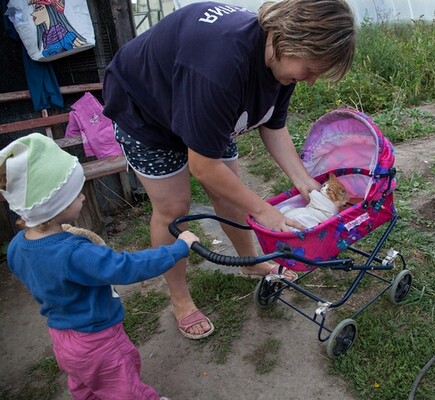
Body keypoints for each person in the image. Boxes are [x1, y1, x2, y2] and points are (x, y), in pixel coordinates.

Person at [102, 0, 356, 340]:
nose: (310, 81)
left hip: (204, 104)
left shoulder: (280, 57)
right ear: (290, 39)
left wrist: (306, 183)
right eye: (310, 70)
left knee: (232, 192)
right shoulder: (220, 68)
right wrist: (265, 211)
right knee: (173, 209)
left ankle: (250, 263)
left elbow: (273, 127)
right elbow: (204, 167)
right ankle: (180, 298)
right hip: (147, 110)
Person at [0, 133, 201, 400]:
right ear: (55, 207)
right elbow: (126, 267)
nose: (83, 197)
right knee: (124, 387)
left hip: (62, 338)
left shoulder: (17, 246)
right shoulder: (75, 253)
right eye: (75, 194)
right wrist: (178, 248)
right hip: (98, 339)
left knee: (86, 385)